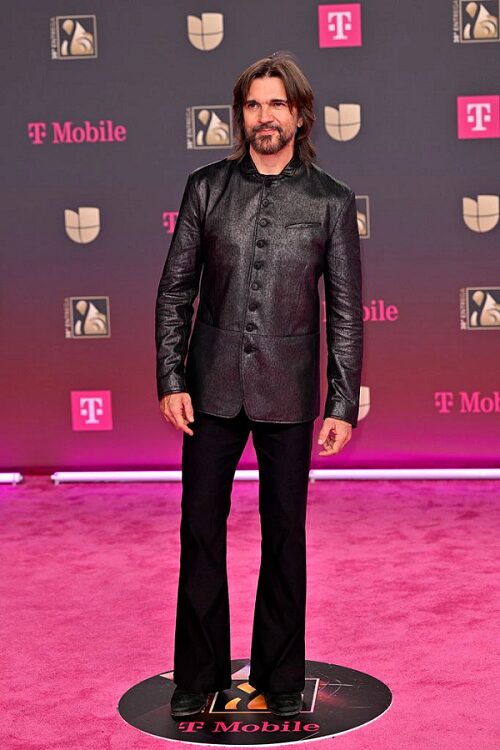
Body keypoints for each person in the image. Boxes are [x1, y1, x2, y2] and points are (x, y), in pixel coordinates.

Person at [155, 52, 363, 719]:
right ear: (240, 115)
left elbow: (345, 312)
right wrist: (170, 376)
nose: (264, 116)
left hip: (289, 391)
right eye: (253, 104)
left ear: (300, 116)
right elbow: (175, 290)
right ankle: (199, 673)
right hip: (209, 387)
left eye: (277, 104)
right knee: (199, 530)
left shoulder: (330, 200)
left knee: (285, 535)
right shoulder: (205, 188)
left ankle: (279, 672)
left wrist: (341, 401)